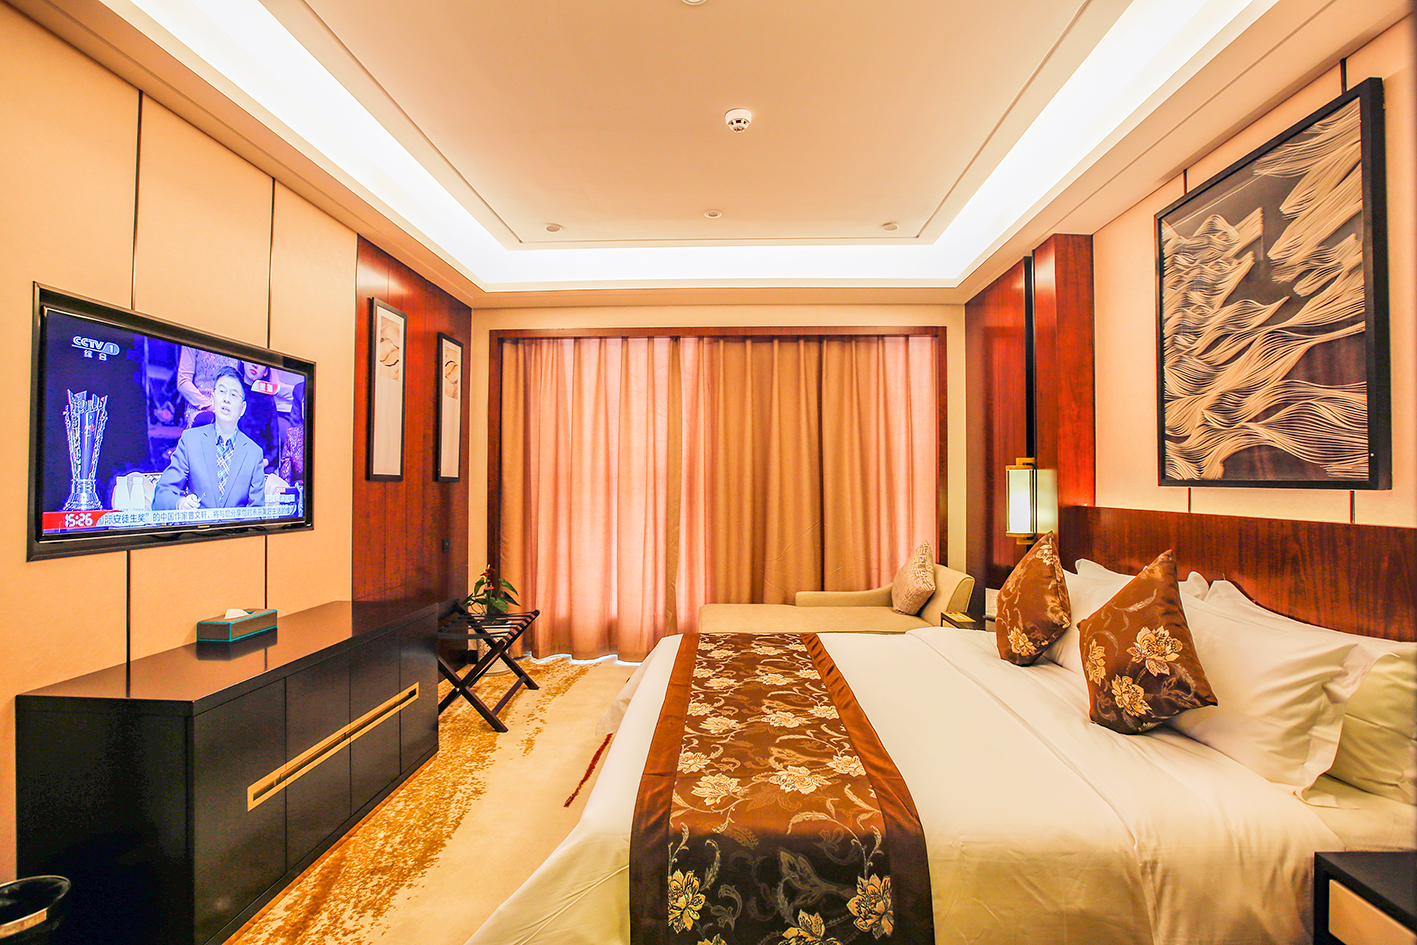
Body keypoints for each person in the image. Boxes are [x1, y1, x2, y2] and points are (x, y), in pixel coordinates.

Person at [154, 366, 268, 511]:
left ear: (242, 408)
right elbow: (163, 494)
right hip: (198, 525)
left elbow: (257, 511)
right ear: (213, 399)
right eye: (222, 392)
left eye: (233, 395)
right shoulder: (190, 441)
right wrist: (180, 503)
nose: (226, 399)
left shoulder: (254, 453)